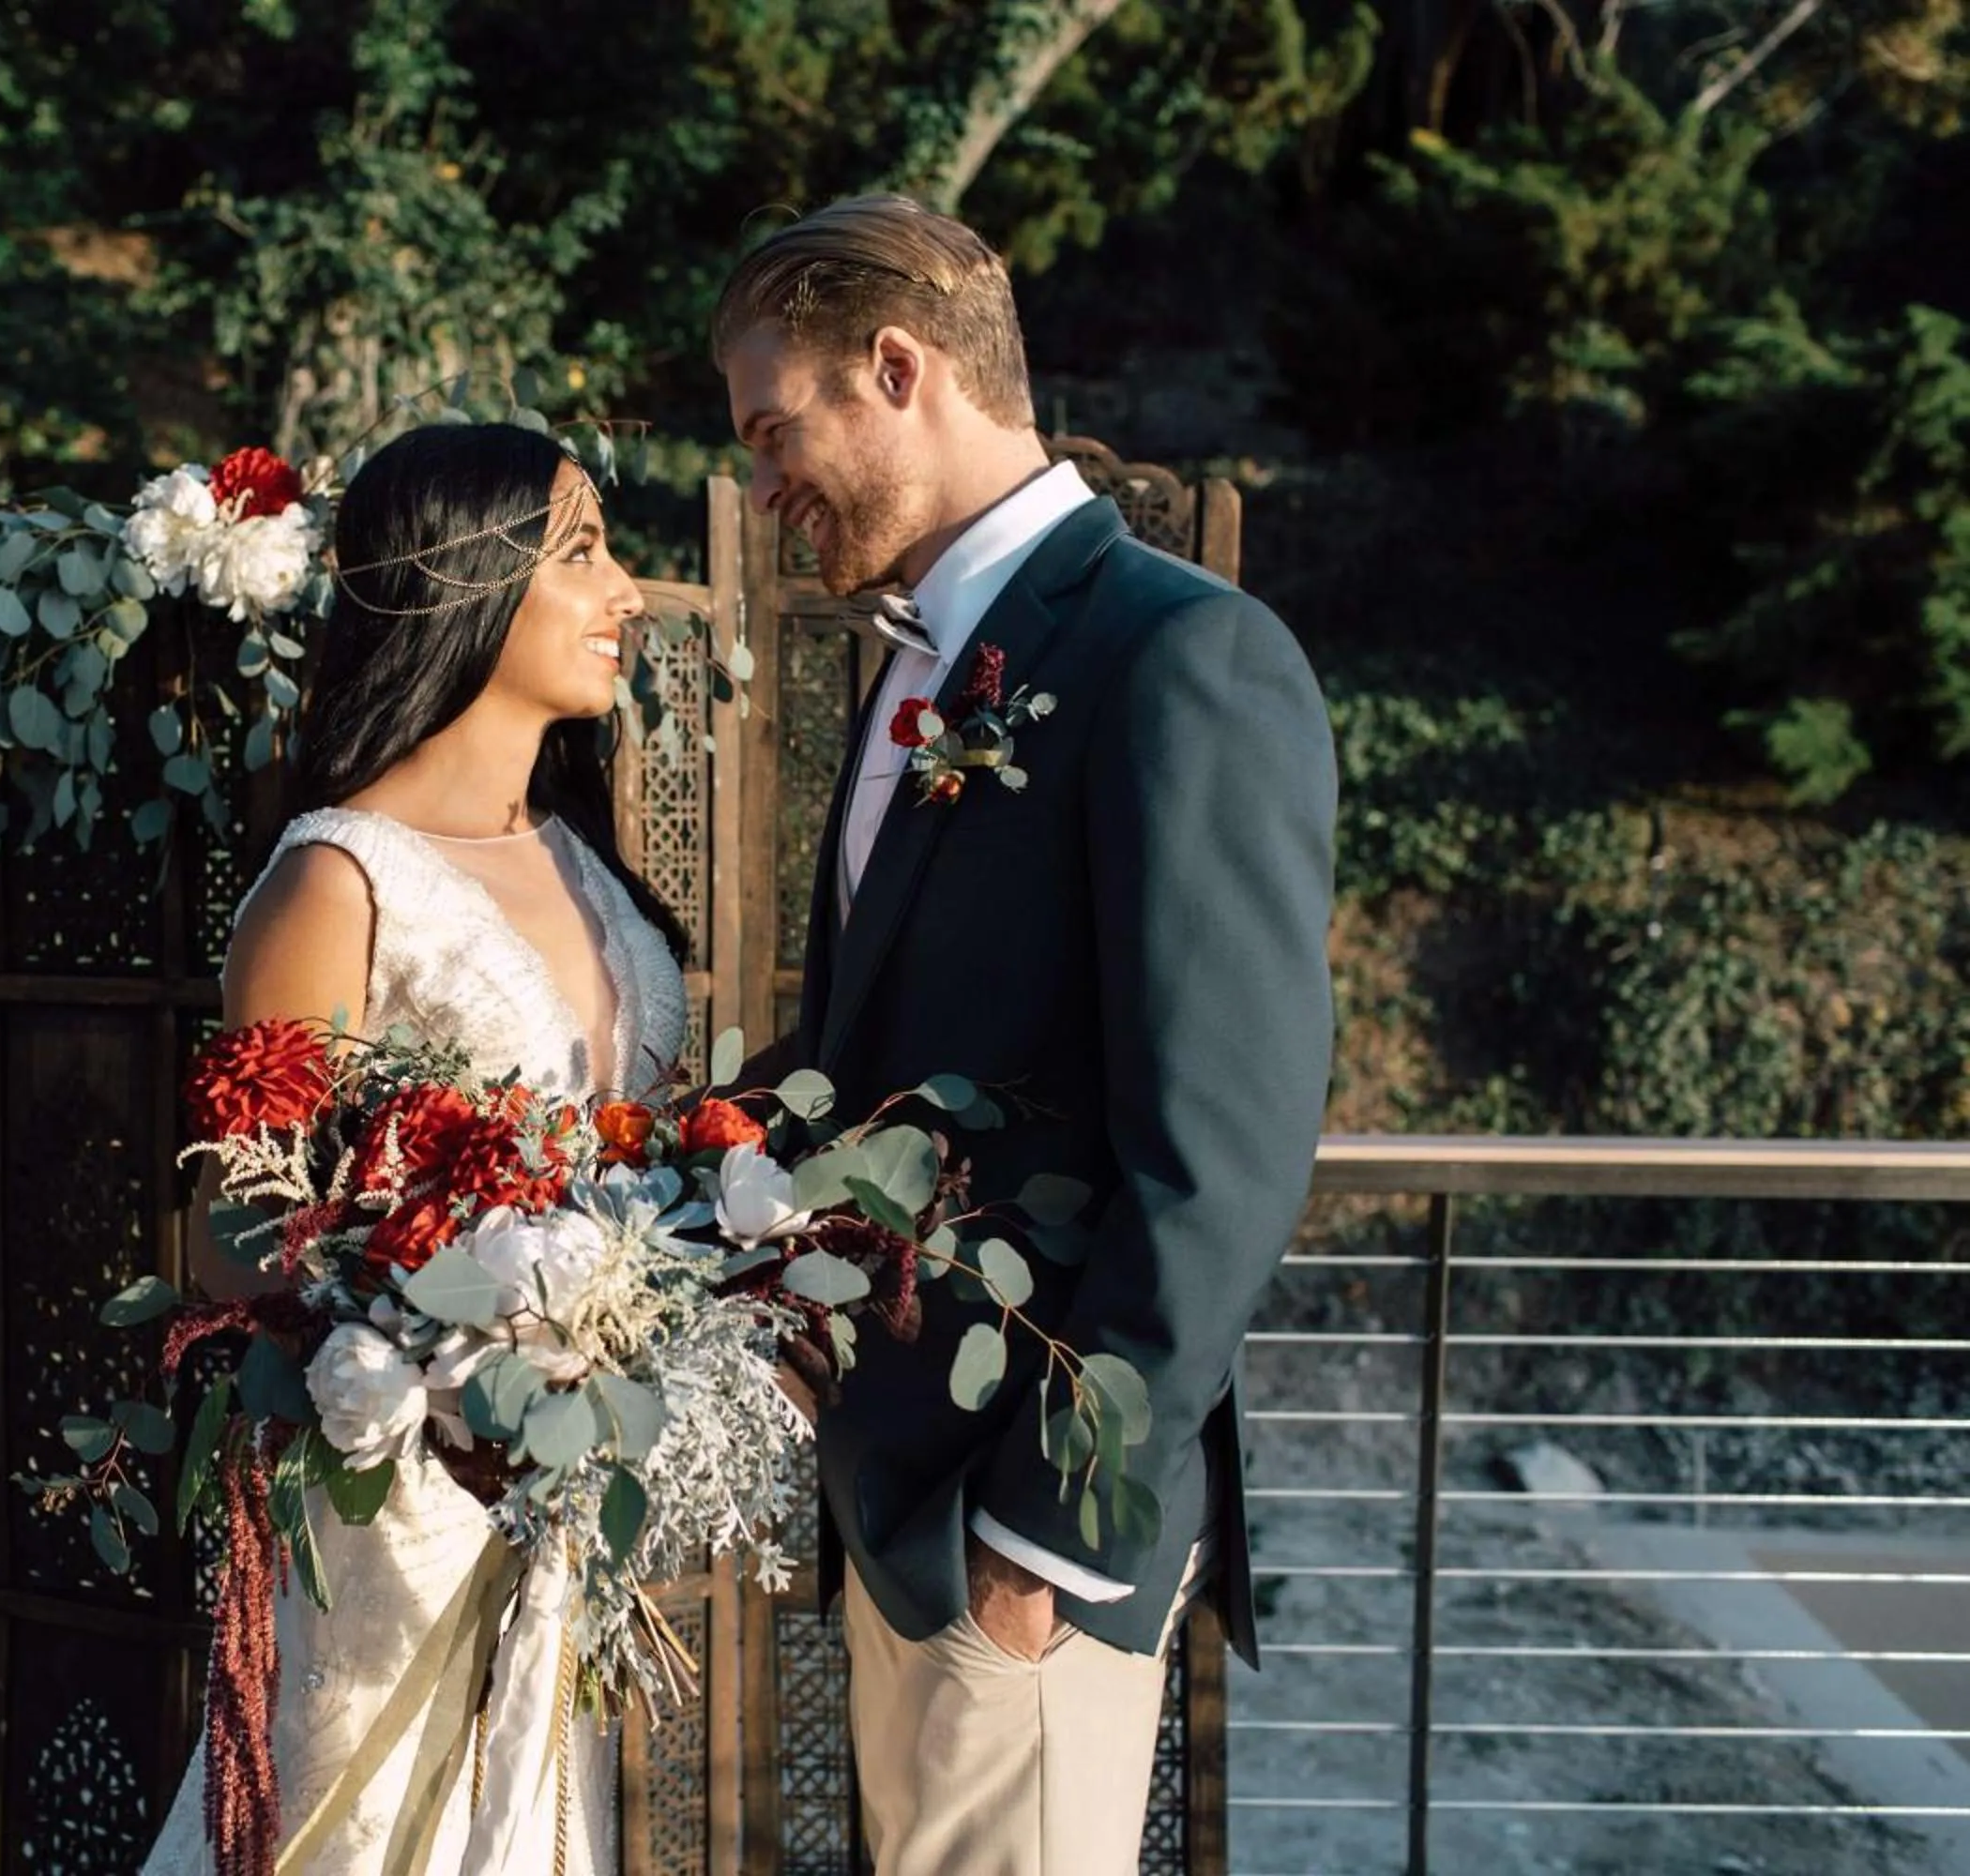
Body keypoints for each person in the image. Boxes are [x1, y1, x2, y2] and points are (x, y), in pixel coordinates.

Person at [713, 195, 1337, 1873]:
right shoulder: (924, 668)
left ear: (896, 370)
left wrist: (1040, 1547)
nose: (765, 487)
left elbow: (1222, 1156)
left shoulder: (1181, 657)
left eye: (777, 430)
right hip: (904, 1494)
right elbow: (882, 1050)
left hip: (1021, 1542)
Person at [143, 420, 688, 1875]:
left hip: (569, 1493)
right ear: (466, 580)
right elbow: (229, 1232)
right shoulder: (338, 878)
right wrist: (450, 1326)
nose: (631, 591)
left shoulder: (587, 866)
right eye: (584, 551)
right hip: (399, 1503)